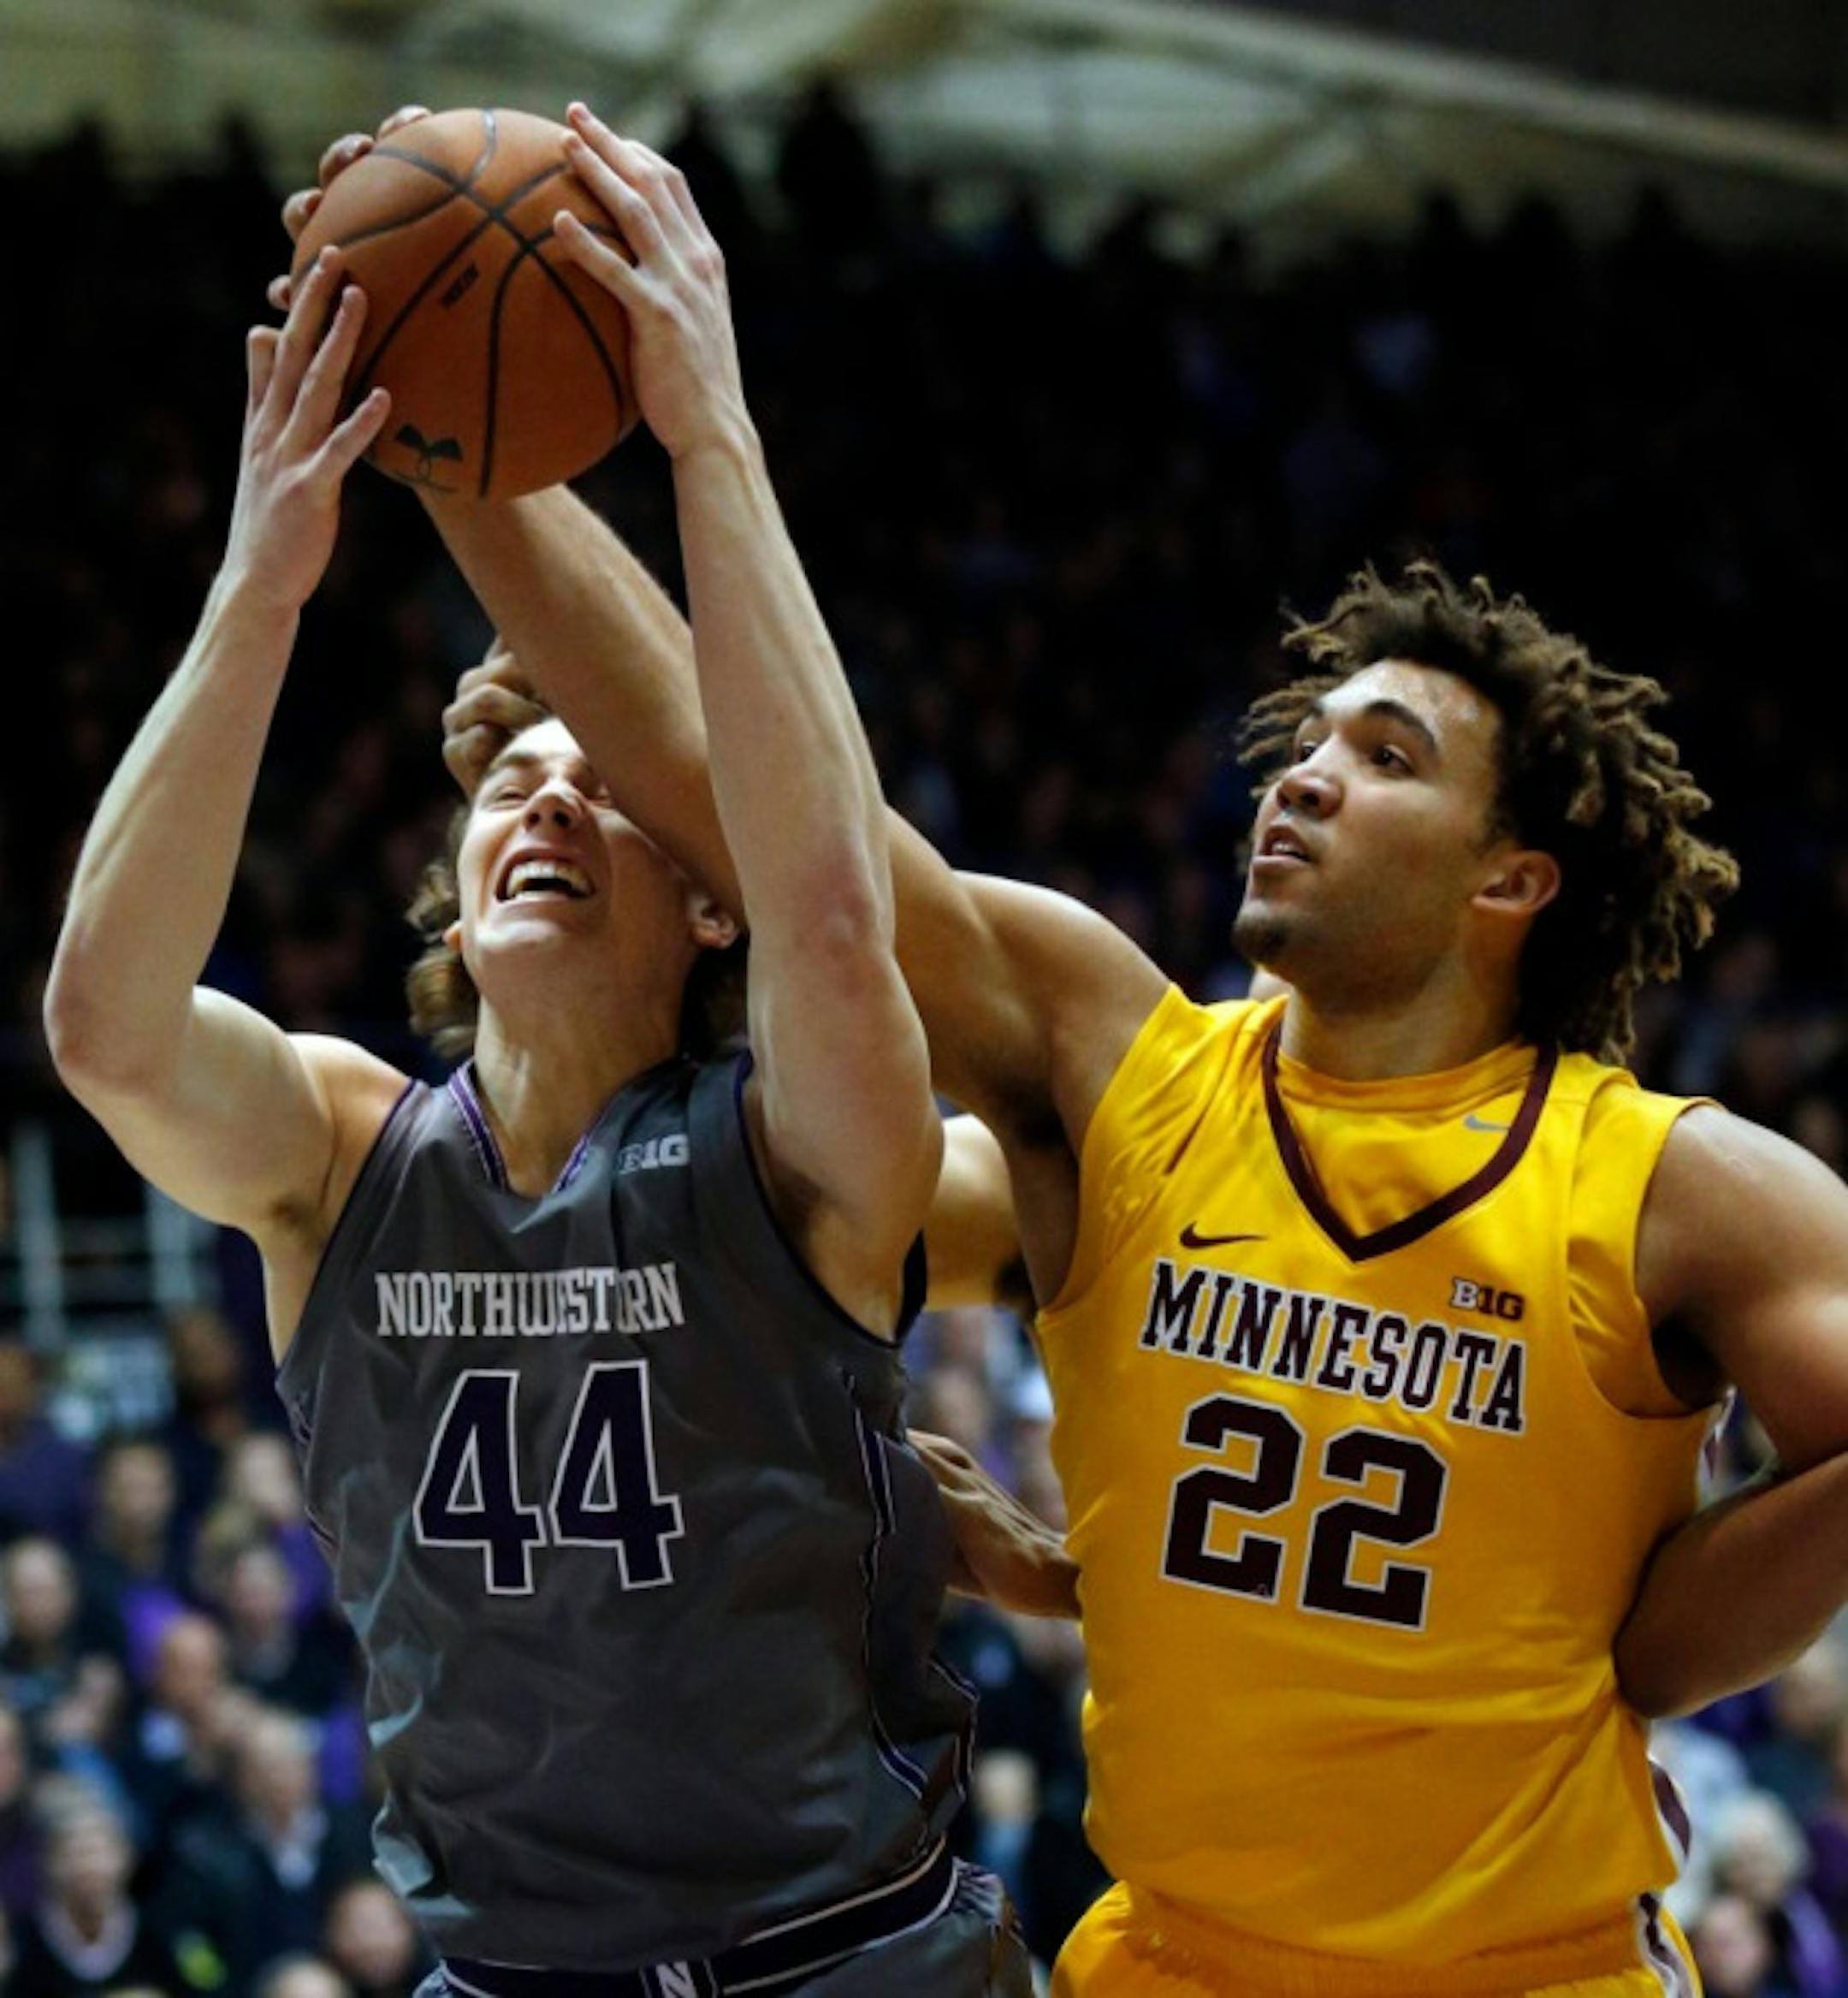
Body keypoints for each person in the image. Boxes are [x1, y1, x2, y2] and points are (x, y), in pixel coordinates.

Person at [317, 148, 1848, 1994]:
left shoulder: (1671, 1182)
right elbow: (785, 836)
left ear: (1513, 874)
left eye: (1382, 754)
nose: (1298, 776)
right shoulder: (1118, 1069)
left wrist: (1639, 1633)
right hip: (1174, 1961)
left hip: (1537, 1966)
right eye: (1301, 741)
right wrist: (464, 443)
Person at [45, 122, 1034, 1993]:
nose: (552, 801)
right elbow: (102, 1024)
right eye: (512, 781)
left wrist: (708, 432)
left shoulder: (795, 1155)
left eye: (607, 790)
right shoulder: (347, 1150)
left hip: (843, 1957)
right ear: (455, 879)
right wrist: (264, 581)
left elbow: (837, 914)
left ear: (708, 905)